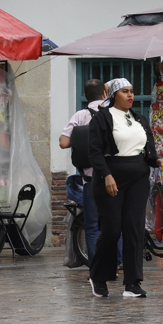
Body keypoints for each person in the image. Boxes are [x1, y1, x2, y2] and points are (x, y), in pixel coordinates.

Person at [87, 78, 158, 298]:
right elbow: (95, 152)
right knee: (111, 229)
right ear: (114, 95)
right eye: (125, 91)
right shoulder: (102, 118)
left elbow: (149, 149)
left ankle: (133, 282)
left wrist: (159, 162)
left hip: (138, 176)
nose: (130, 95)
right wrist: (106, 175)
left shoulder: (139, 119)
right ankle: (98, 276)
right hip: (111, 175)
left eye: (132, 91)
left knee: (134, 228)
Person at [59, 78, 108, 264]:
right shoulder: (113, 113)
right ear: (105, 94)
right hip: (114, 179)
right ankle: (117, 263)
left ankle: (96, 267)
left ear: (85, 96)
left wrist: (82, 139)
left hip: (90, 181)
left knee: (93, 226)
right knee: (114, 225)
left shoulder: (80, 116)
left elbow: (64, 142)